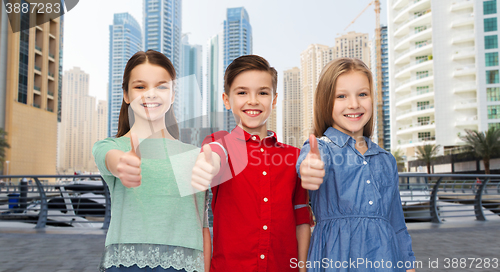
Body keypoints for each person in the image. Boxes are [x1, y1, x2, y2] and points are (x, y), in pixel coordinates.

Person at [191, 55, 313, 272]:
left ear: (274, 100)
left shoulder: (294, 157)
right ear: (227, 100)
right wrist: (208, 163)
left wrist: (302, 269)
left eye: (263, 93)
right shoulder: (220, 145)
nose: (253, 100)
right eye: (242, 92)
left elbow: (301, 218)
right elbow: (214, 155)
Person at [93, 50, 210, 272]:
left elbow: (202, 224)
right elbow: (109, 158)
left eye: (161, 86)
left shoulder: (195, 155)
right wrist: (121, 163)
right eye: (140, 86)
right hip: (125, 266)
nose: (151, 94)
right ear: (126, 95)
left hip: (186, 267)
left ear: (173, 94)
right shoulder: (111, 147)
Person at [297, 58, 416, 271]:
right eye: (341, 96)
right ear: (326, 102)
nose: (354, 104)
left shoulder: (386, 160)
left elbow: (397, 224)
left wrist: (409, 265)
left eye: (362, 94)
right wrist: (308, 169)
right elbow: (307, 163)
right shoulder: (321, 149)